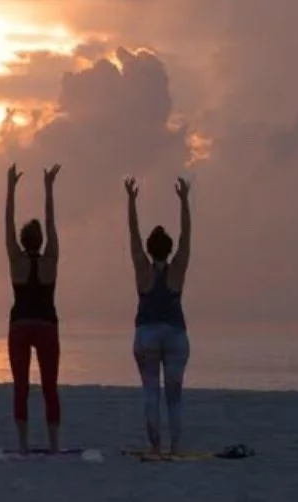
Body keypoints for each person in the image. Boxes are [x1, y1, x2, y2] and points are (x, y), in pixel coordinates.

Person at [127, 175, 193, 456]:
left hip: (147, 335)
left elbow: (133, 235)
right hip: (176, 335)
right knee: (174, 398)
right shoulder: (177, 268)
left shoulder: (142, 268)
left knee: (151, 393)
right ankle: (175, 447)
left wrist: (130, 201)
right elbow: (186, 236)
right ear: (167, 248)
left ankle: (155, 447)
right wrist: (184, 201)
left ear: (150, 248)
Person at [5, 163, 62, 453]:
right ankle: (53, 446)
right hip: (46, 326)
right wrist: (49, 188)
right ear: (40, 242)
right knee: (49, 387)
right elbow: (52, 224)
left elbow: (7, 224)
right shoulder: (50, 260)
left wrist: (10, 188)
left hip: (20, 326)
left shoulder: (16, 261)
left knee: (21, 387)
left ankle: (23, 445)